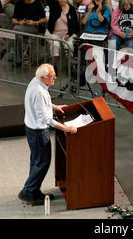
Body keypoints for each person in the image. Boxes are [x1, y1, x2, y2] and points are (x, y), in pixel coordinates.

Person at [19, 63, 77, 206]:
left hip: (31, 128)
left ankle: (34, 190)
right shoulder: (39, 91)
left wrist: (54, 106)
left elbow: (40, 103)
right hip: (38, 132)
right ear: (44, 77)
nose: (55, 78)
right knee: (42, 163)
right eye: (52, 76)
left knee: (36, 161)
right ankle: (28, 191)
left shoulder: (36, 82)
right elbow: (45, 119)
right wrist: (65, 127)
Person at [8, 0, 47, 68]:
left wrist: (34, 22)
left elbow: (44, 19)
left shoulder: (37, 3)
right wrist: (20, 22)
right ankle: (18, 61)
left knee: (15, 29)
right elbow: (13, 19)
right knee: (17, 34)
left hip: (34, 27)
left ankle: (6, 50)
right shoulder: (19, 3)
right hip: (22, 26)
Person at [45, 0, 80, 70]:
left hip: (68, 33)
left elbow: (76, 25)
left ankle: (71, 65)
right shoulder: (54, 6)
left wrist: (69, 34)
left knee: (69, 45)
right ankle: (54, 65)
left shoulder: (71, 9)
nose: (62, 0)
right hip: (54, 33)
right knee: (55, 44)